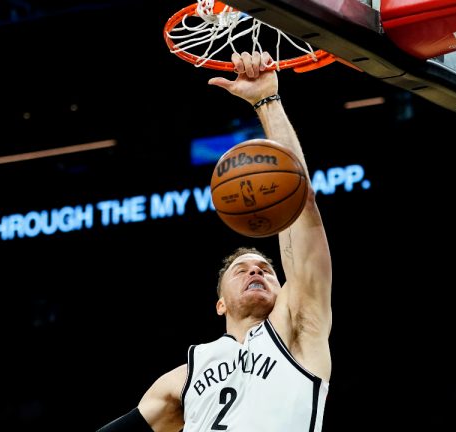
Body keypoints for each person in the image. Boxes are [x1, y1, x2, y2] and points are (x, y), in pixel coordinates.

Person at [96, 51, 333, 432]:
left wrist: (266, 101)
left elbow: (299, 199)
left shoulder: (299, 327)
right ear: (219, 303)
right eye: (242, 269)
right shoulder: (182, 378)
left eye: (267, 269)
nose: (256, 270)